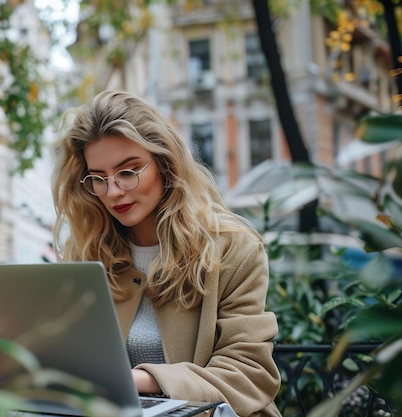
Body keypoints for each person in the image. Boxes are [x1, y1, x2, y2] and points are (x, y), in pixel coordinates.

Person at [50, 90, 282, 417]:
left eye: (128, 171)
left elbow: (249, 373)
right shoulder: (88, 256)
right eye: (98, 179)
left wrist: (142, 380)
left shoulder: (233, 249)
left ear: (164, 163)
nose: (113, 191)